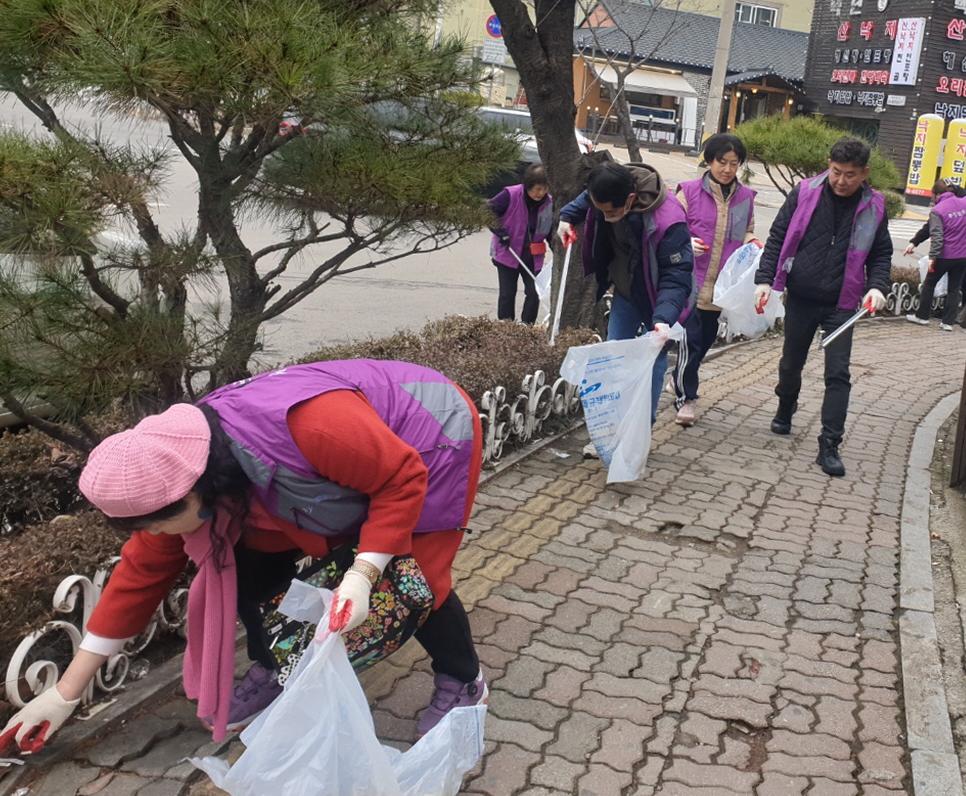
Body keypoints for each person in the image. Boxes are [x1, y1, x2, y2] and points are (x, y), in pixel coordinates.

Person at [0, 360, 486, 754]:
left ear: (200, 489)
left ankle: (463, 680)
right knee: (249, 572)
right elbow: (139, 577)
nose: (158, 535)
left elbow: (400, 478)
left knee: (415, 581)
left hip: (428, 437)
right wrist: (63, 696)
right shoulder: (170, 478)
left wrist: (362, 573)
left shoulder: (312, 425)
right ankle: (276, 665)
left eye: (162, 523)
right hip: (316, 474)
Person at [753, 138, 891, 479]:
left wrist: (877, 287)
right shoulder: (803, 192)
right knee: (791, 363)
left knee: (838, 373)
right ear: (828, 164)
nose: (841, 181)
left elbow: (881, 253)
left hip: (842, 302)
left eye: (850, 175)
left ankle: (829, 444)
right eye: (836, 172)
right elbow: (777, 236)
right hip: (801, 294)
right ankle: (786, 404)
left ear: (864, 174)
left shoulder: (874, 206)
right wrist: (764, 279)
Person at [558, 161, 695, 447]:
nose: (605, 217)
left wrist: (663, 319)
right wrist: (567, 218)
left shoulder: (669, 220)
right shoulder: (609, 185)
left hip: (659, 296)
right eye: (601, 210)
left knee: (653, 363)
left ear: (631, 199)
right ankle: (608, 435)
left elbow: (676, 277)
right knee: (613, 359)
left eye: (611, 212)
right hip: (626, 290)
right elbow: (588, 198)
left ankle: (638, 435)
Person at [673, 134, 758, 428]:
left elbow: (747, 231)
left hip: (721, 286)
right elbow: (672, 229)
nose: (728, 169)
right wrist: (687, 243)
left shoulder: (746, 198)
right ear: (709, 161)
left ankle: (682, 379)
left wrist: (753, 244)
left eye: (734, 164)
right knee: (691, 342)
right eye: (722, 162)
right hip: (691, 282)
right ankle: (686, 397)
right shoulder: (689, 192)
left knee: (705, 341)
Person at [903, 178, 966, 331]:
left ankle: (922, 317)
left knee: (929, 284)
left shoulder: (938, 210)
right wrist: (959, 189)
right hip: (964, 256)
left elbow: (936, 236)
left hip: (945, 255)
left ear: (937, 194)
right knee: (954, 289)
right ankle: (948, 323)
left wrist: (932, 257)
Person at [486, 163, 553, 324]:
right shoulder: (510, 194)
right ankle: (506, 325)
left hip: (533, 256)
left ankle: (527, 325)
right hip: (508, 253)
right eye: (537, 189)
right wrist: (501, 233)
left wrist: (557, 248)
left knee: (534, 292)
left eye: (544, 189)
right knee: (508, 293)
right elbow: (487, 212)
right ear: (528, 185)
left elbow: (550, 229)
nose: (541, 193)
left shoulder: (549, 203)